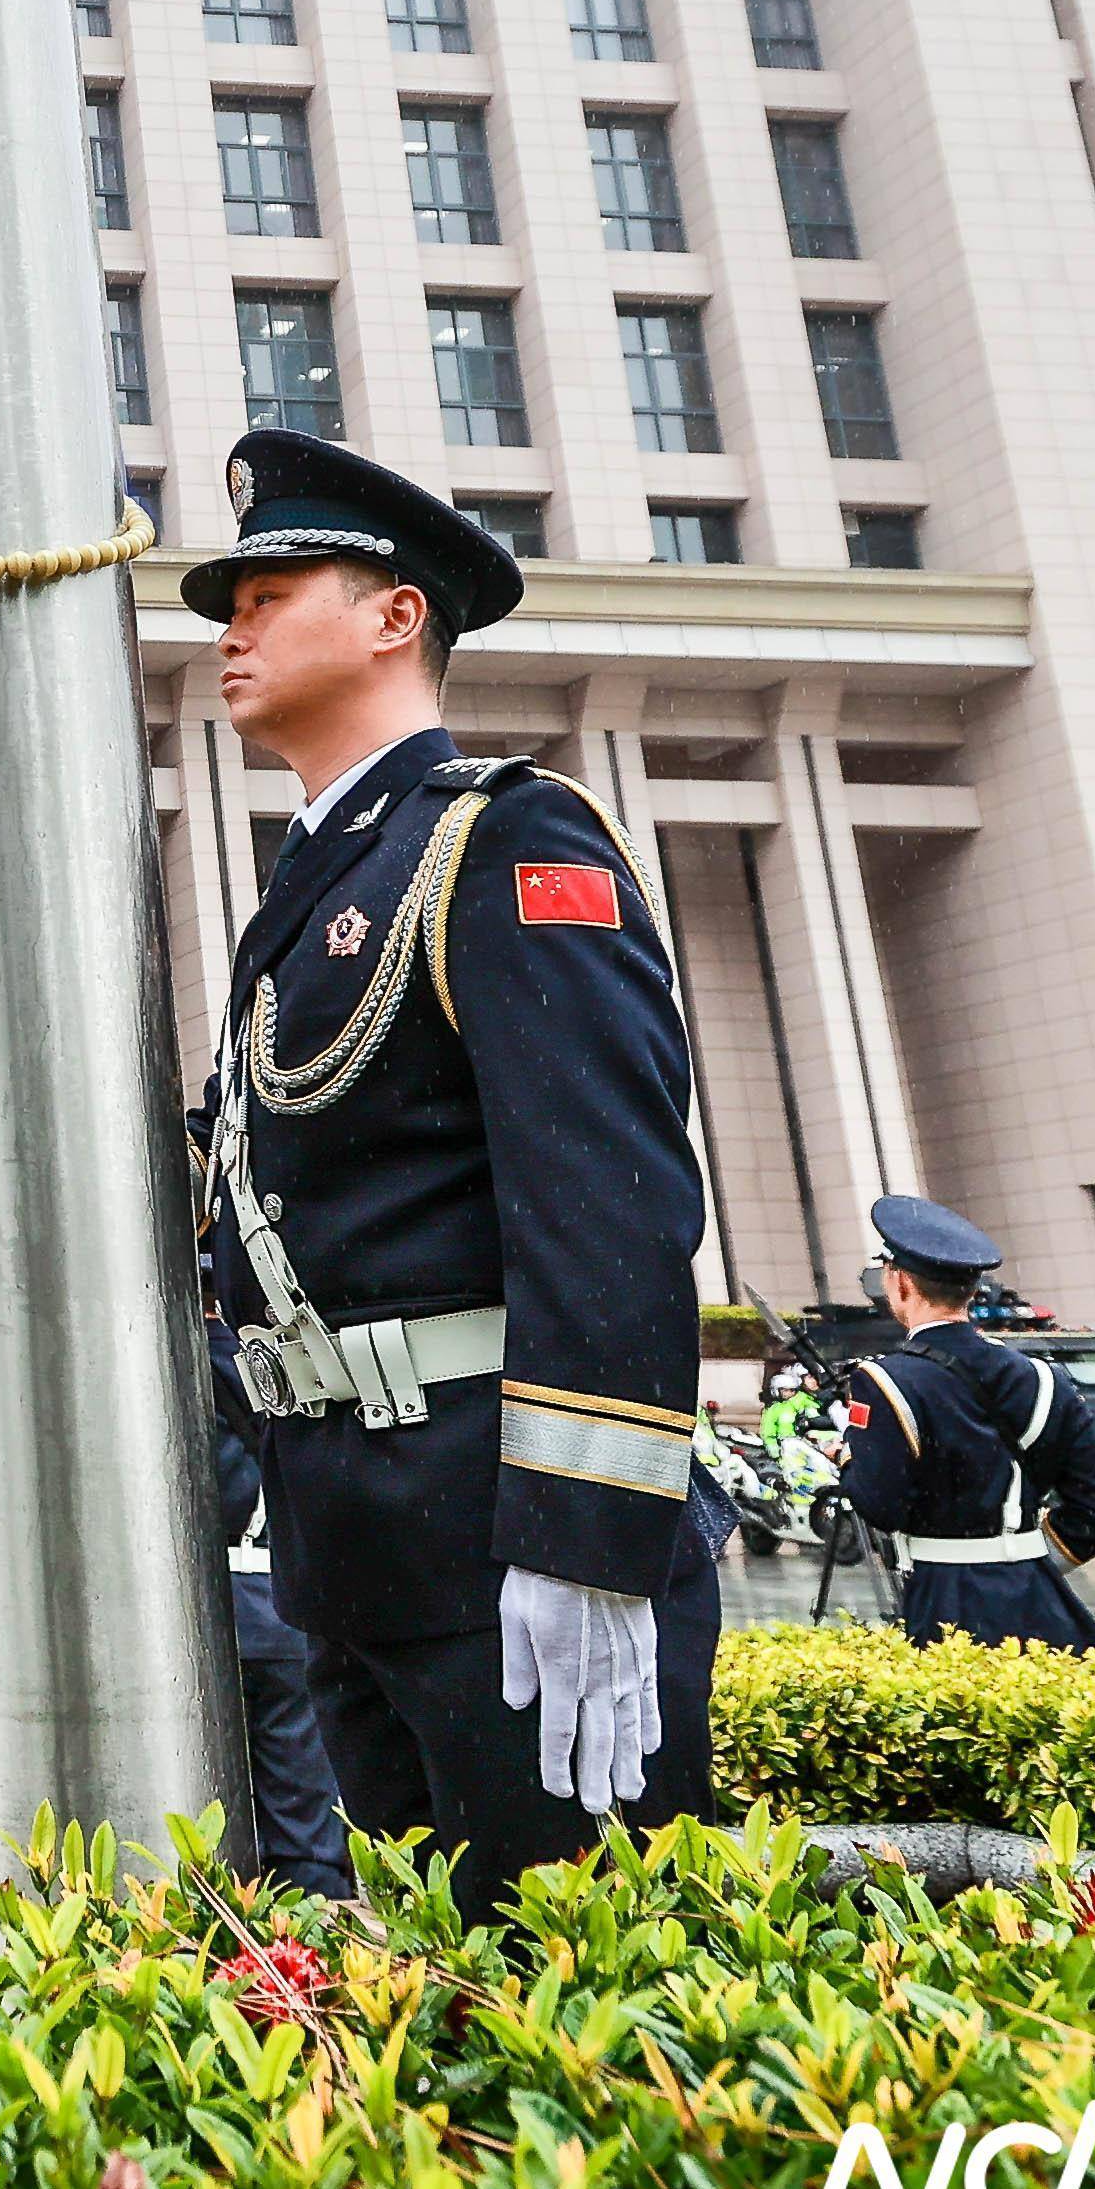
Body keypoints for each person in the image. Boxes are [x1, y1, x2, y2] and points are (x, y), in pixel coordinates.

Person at [187, 426, 724, 1894]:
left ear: (394, 613)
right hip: (363, 1541)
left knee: (581, 2009)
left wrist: (586, 1542)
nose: (230, 629)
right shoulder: (319, 877)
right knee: (450, 2017)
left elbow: (605, 1203)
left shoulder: (502, 837)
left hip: (508, 1539)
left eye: (267, 593)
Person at [829, 1196, 1095, 1652]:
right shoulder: (1045, 1378)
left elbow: (881, 1505)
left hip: (945, 1598)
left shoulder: (883, 1380)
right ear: (971, 1291)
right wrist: (1023, 1557)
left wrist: (850, 1453)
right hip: (1043, 1599)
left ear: (901, 1283)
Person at [208, 1332, 354, 1896]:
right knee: (304, 1827)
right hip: (277, 1600)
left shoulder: (168, 1361)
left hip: (201, 1621)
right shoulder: (263, 1363)